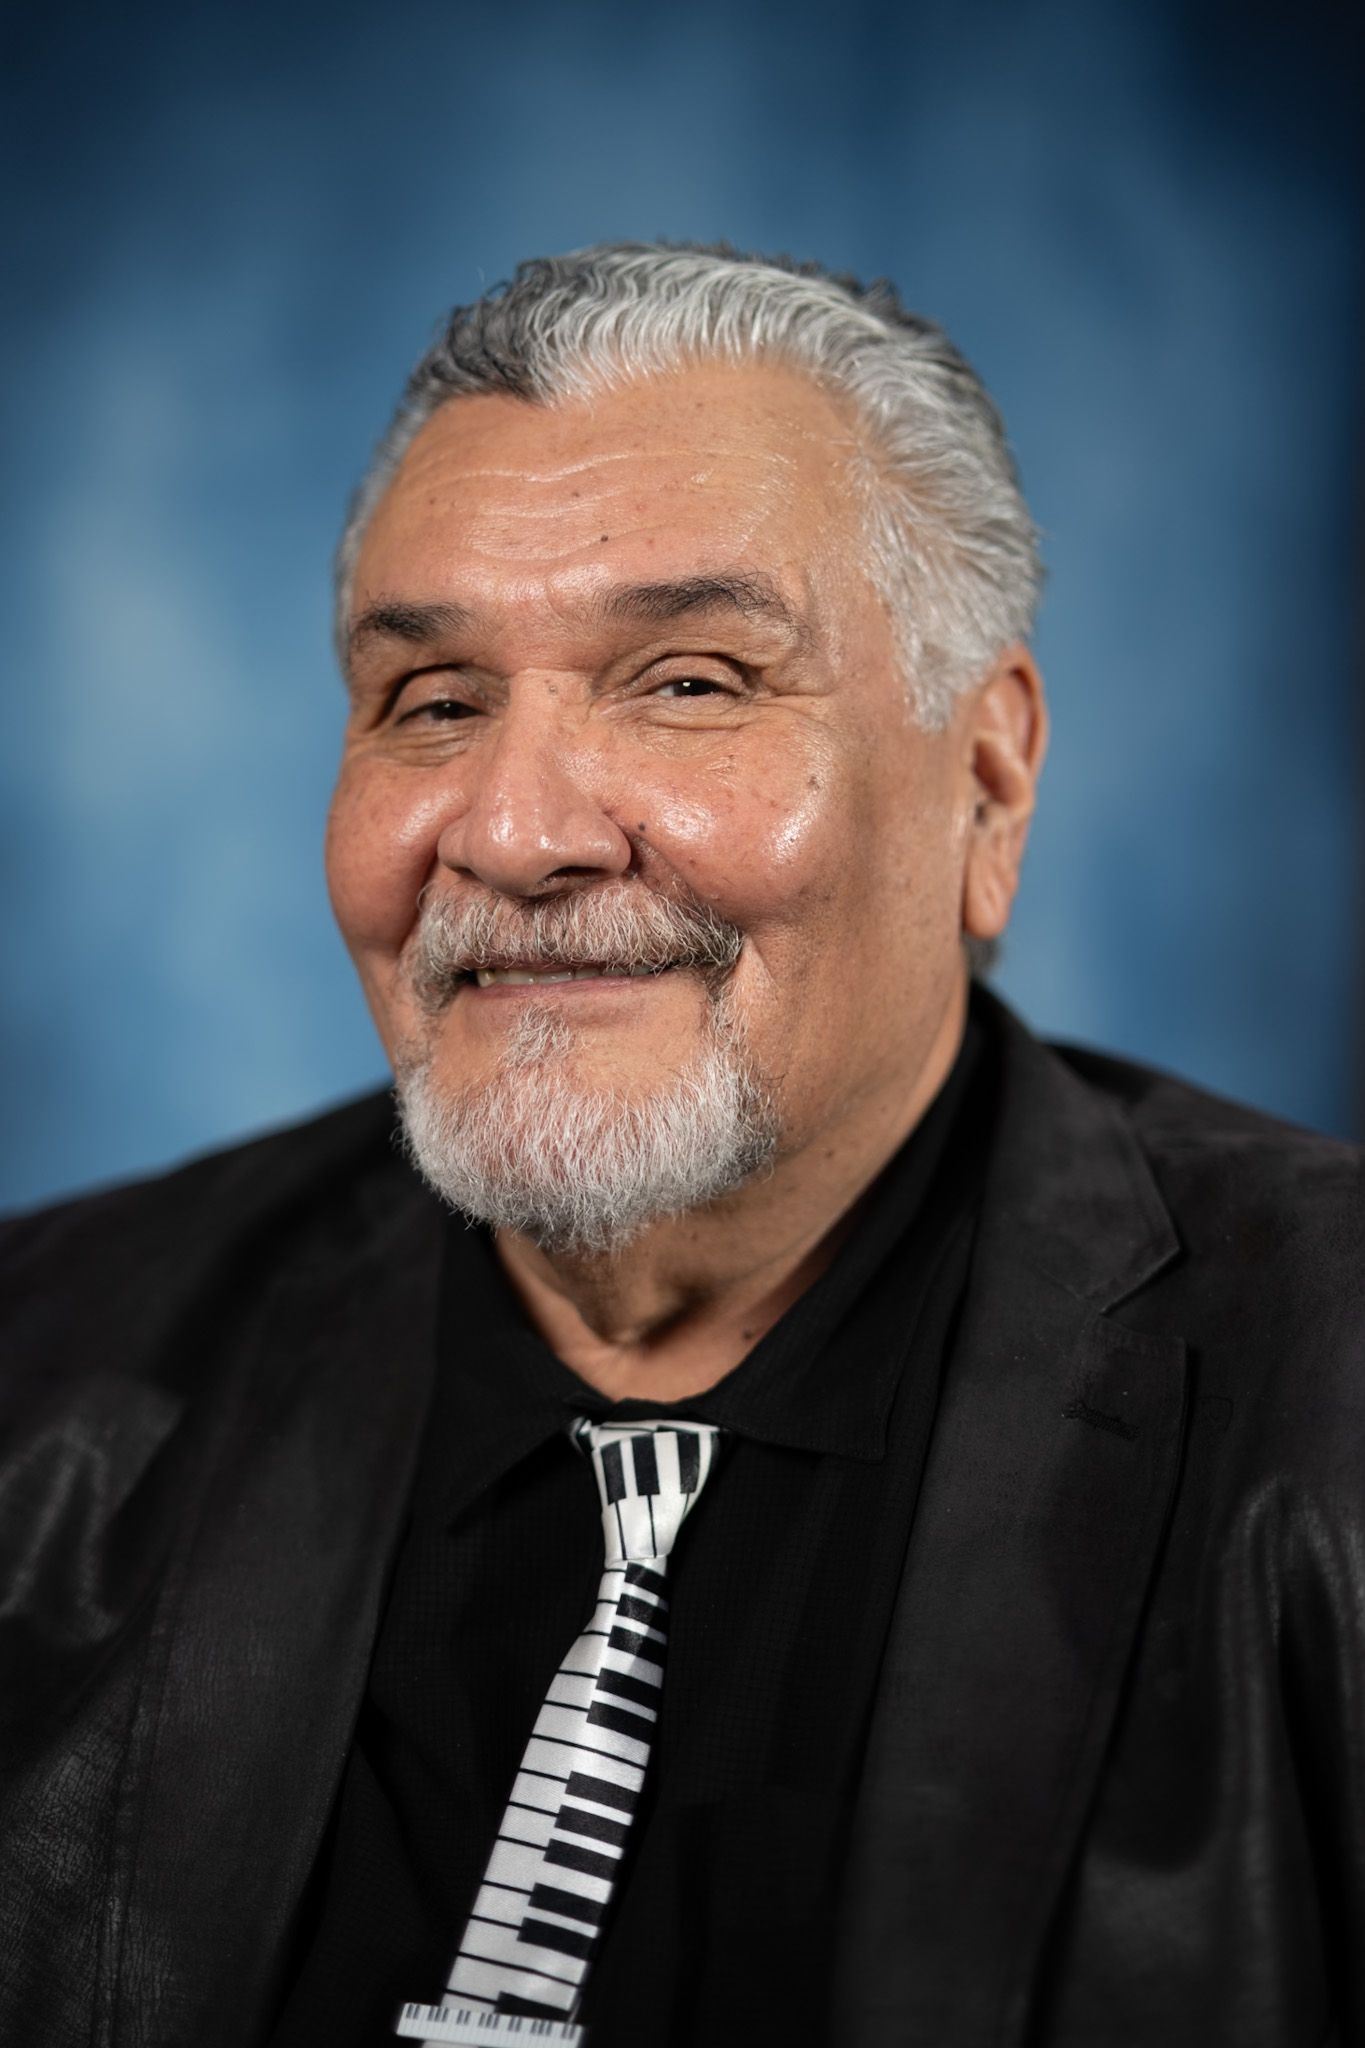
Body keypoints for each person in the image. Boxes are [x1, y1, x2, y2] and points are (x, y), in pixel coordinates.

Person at [1, 243, 1362, 2048]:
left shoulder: (1329, 1400)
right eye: (434, 701)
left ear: (987, 783)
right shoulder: (41, 1379)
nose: (515, 829)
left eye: (693, 682)